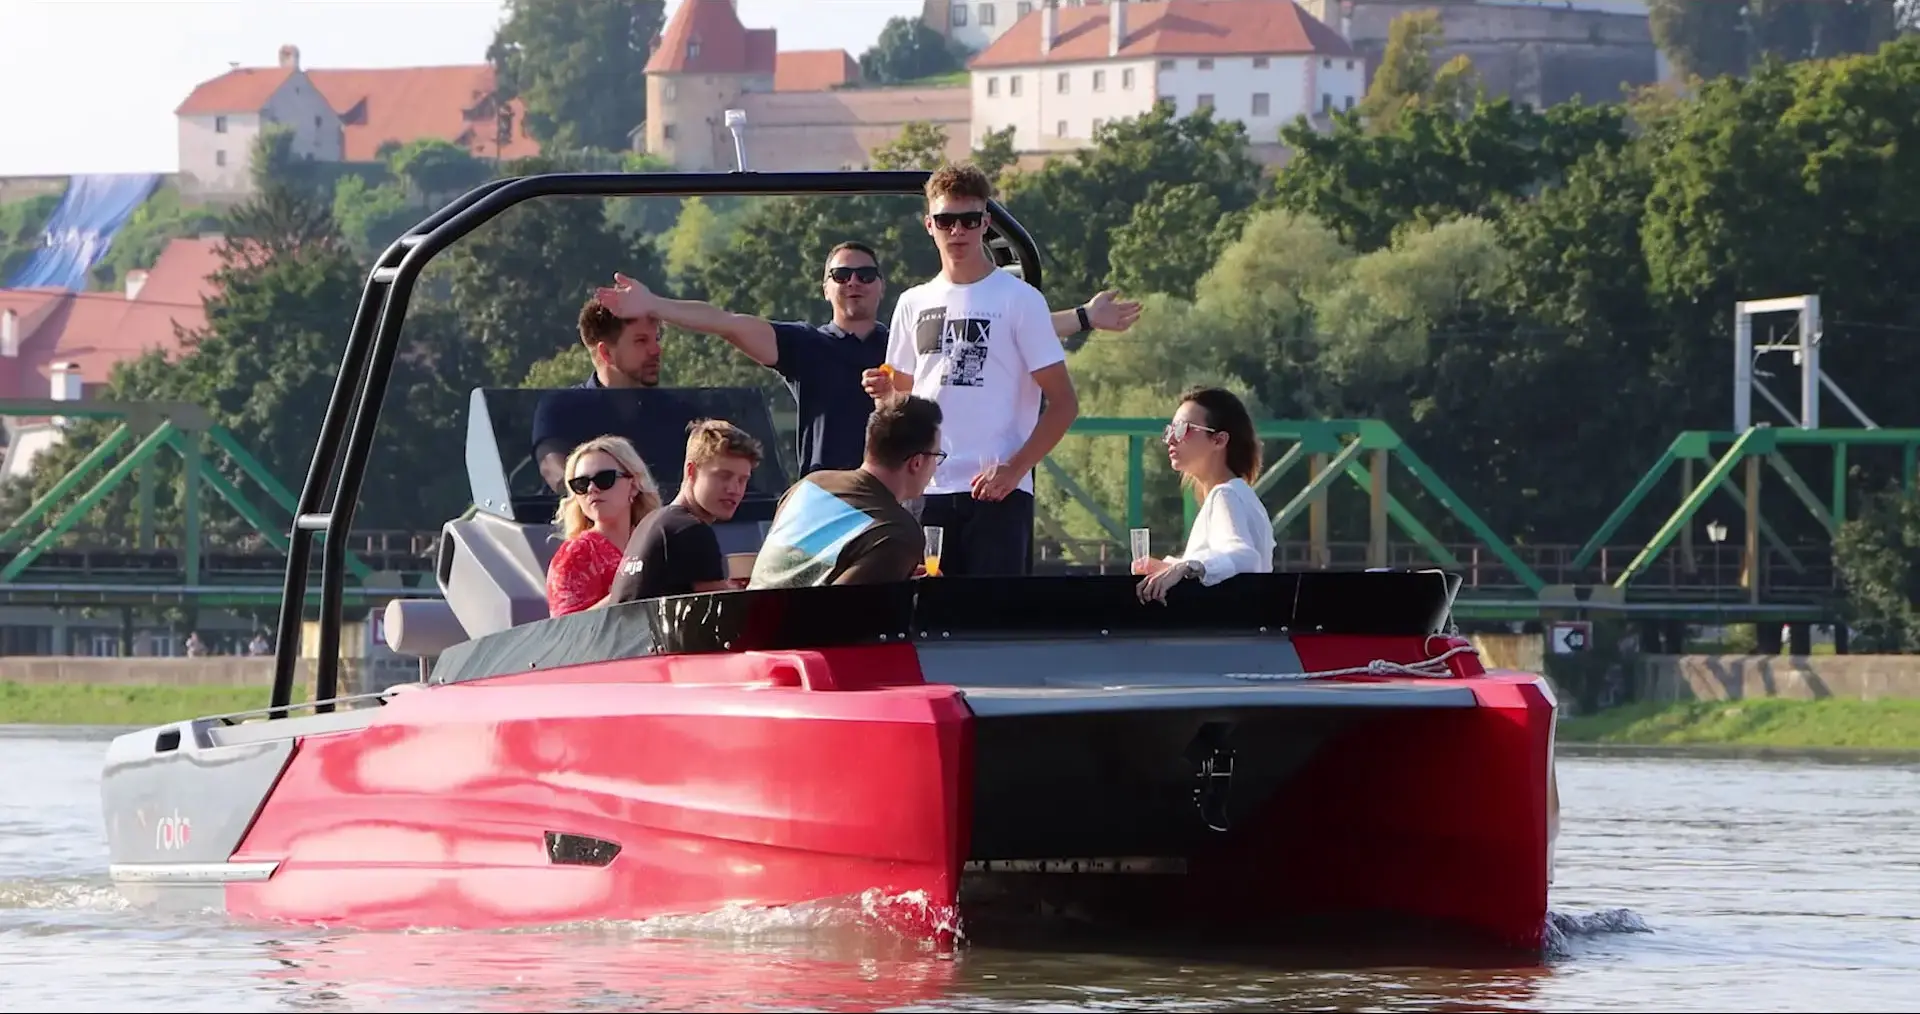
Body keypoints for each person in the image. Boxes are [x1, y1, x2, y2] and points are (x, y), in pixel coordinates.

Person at [591, 247, 1138, 476]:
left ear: (881, 286)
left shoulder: (910, 338)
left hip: (899, 494)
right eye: (841, 275)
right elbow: (726, 321)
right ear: (826, 287)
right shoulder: (804, 345)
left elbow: (1005, 330)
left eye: (865, 274)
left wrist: (1085, 317)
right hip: (829, 493)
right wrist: (654, 305)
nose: (853, 282)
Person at [861, 161, 1078, 578]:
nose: (957, 231)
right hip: (926, 489)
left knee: (989, 613)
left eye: (969, 220)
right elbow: (900, 408)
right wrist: (884, 395)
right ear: (930, 225)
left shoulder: (1020, 299)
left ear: (986, 223)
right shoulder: (912, 302)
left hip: (997, 490)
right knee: (926, 610)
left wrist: (1015, 470)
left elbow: (1064, 403)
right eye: (946, 220)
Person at [748, 394, 944, 590]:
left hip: (745, 607)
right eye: (936, 456)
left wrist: (893, 572)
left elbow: (800, 569)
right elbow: (844, 607)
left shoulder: (810, 484)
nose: (936, 467)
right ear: (916, 463)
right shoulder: (898, 532)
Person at [1136, 386, 1275, 604]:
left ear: (1219, 440)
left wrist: (1187, 566)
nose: (1171, 439)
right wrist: (1170, 568)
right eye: (1170, 430)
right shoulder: (1239, 494)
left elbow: (1245, 557)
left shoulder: (1225, 495)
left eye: (1183, 429)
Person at [607, 419, 765, 602]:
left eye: (743, 480)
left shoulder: (651, 523)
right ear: (691, 471)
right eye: (723, 476)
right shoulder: (690, 531)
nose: (734, 489)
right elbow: (720, 611)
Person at [531, 298, 664, 491]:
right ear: (606, 353)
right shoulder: (562, 408)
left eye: (656, 339)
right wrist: (590, 494)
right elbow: (554, 470)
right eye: (641, 341)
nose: (656, 350)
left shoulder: (677, 410)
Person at [545, 435, 662, 616]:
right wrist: (629, 590)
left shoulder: (656, 544)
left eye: (605, 479)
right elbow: (567, 629)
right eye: (581, 484)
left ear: (633, 486)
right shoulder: (576, 554)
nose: (592, 489)